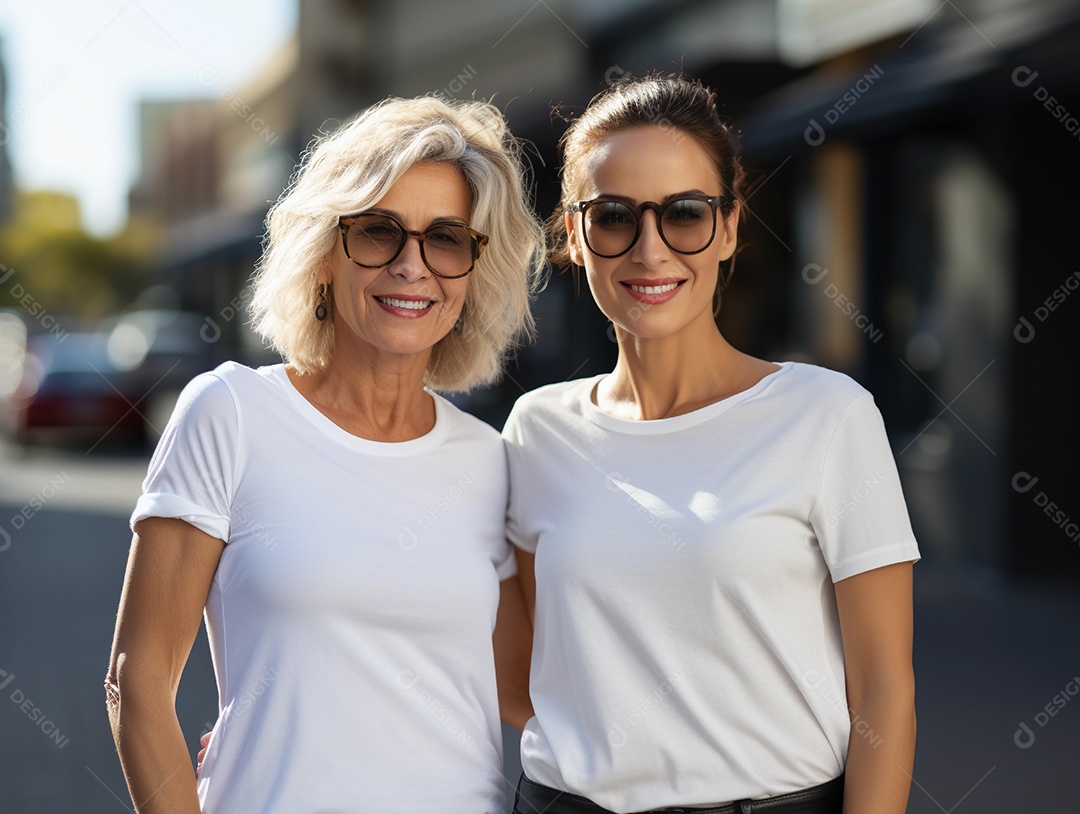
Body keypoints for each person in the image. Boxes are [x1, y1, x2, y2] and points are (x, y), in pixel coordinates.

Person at [105, 95, 543, 813]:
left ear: (472, 273)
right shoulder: (231, 413)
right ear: (321, 258)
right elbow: (137, 680)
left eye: (445, 239)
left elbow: (527, 693)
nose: (412, 265)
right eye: (378, 232)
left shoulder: (491, 460)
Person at [502, 73, 920, 814]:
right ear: (574, 235)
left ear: (728, 228)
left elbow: (884, 687)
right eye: (614, 217)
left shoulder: (826, 416)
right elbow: (524, 669)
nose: (650, 249)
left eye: (685, 214)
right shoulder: (537, 430)